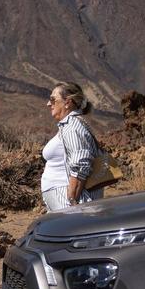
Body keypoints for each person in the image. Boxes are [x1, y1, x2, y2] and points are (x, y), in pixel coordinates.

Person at [41, 82, 103, 211]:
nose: (48, 104)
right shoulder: (69, 126)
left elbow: (81, 164)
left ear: (67, 102)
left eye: (53, 99)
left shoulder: (72, 127)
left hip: (69, 200)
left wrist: (71, 199)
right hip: (62, 199)